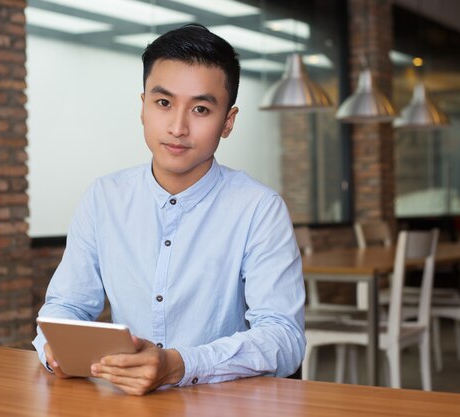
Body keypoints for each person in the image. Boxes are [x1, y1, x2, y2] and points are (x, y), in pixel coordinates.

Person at [32, 23, 305, 396]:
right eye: (163, 103)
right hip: (124, 401)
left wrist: (180, 365)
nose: (178, 127)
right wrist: (56, 351)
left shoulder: (259, 208)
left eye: (201, 109)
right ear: (143, 107)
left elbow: (285, 338)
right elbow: (66, 306)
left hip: (225, 403)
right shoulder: (104, 197)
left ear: (227, 122)